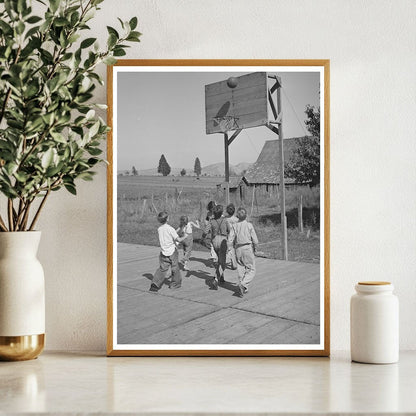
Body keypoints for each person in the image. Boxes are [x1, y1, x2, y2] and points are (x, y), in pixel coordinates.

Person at [150, 211, 186, 292]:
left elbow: (170, 234)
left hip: (163, 252)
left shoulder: (159, 229)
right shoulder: (170, 229)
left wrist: (180, 228)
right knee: (175, 268)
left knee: (162, 269)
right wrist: (185, 236)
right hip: (172, 252)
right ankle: (175, 284)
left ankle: (155, 284)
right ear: (167, 219)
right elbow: (178, 239)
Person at [227, 207, 259, 297]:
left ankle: (244, 287)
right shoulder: (249, 225)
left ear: (237, 216)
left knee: (241, 268)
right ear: (246, 216)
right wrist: (256, 247)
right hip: (247, 248)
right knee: (251, 269)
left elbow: (230, 238)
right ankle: (243, 284)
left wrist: (229, 247)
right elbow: (255, 240)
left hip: (238, 249)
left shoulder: (234, 226)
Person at [202, 204, 230, 289]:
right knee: (223, 261)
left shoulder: (211, 221)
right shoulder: (225, 220)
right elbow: (229, 230)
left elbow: (206, 231)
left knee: (218, 260)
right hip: (223, 240)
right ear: (221, 212)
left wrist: (202, 238)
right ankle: (216, 278)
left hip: (214, 240)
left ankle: (221, 277)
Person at [224, 203, 238, 270]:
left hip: (229, 236)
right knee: (234, 249)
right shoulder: (236, 219)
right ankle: (234, 263)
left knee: (231, 249)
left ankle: (232, 262)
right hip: (236, 235)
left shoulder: (225, 219)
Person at [204, 200, 218, 265]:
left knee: (217, 244)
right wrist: (206, 224)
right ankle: (214, 257)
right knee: (212, 244)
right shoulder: (208, 213)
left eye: (213, 209)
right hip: (211, 230)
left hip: (217, 230)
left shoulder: (217, 212)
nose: (212, 210)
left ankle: (216, 256)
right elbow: (206, 220)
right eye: (211, 209)